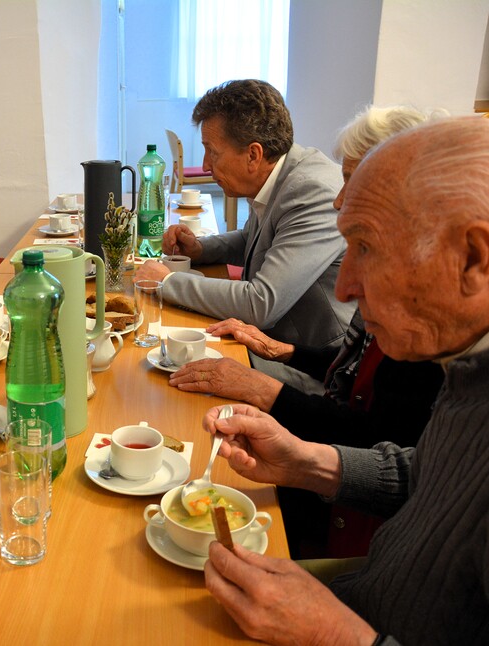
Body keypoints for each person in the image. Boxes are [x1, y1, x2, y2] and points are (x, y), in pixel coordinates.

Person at [200, 116, 489, 645]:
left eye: (367, 246)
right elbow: (428, 478)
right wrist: (305, 461)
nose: (346, 286)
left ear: (473, 259)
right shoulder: (466, 367)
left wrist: (336, 634)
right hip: (364, 592)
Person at [167, 106, 447, 558]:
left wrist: (265, 392)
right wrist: (287, 352)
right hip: (324, 382)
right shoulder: (393, 278)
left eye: (353, 181)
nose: (339, 198)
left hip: (351, 520)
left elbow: (370, 436)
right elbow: (358, 373)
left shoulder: (426, 324)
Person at [136, 79, 354, 388]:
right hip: (270, 339)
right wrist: (199, 249)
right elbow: (252, 239)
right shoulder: (280, 172)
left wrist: (167, 281)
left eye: (212, 152)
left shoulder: (311, 191)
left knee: (165, 378)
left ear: (253, 154)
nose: (206, 165)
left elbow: (260, 304)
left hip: (313, 366)